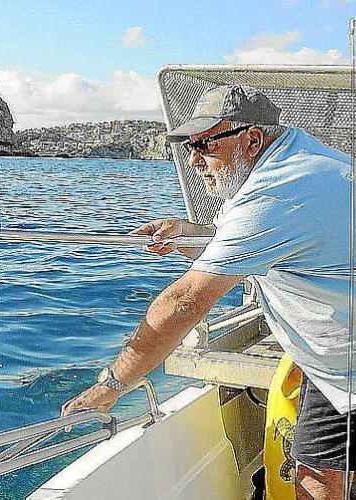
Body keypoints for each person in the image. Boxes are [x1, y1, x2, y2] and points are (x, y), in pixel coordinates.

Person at [60, 85, 352, 499]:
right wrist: (187, 232)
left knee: (315, 482)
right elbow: (265, 241)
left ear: (252, 139)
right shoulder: (295, 159)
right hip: (334, 353)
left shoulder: (274, 196)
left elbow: (183, 303)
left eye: (205, 145)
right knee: (320, 470)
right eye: (190, 146)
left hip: (347, 361)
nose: (194, 160)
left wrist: (111, 384)